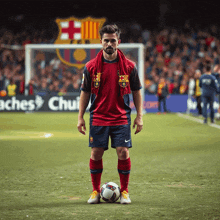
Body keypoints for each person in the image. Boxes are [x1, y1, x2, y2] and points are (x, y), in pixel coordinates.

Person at [77, 24, 143, 204]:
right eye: (106, 40)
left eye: (113, 40)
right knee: (96, 153)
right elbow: (85, 92)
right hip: (98, 116)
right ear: (101, 42)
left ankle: (125, 191)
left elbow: (136, 91)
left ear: (118, 42)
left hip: (121, 117)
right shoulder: (90, 67)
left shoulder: (129, 66)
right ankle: (95, 191)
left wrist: (139, 116)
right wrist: (80, 117)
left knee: (123, 152)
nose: (109, 44)